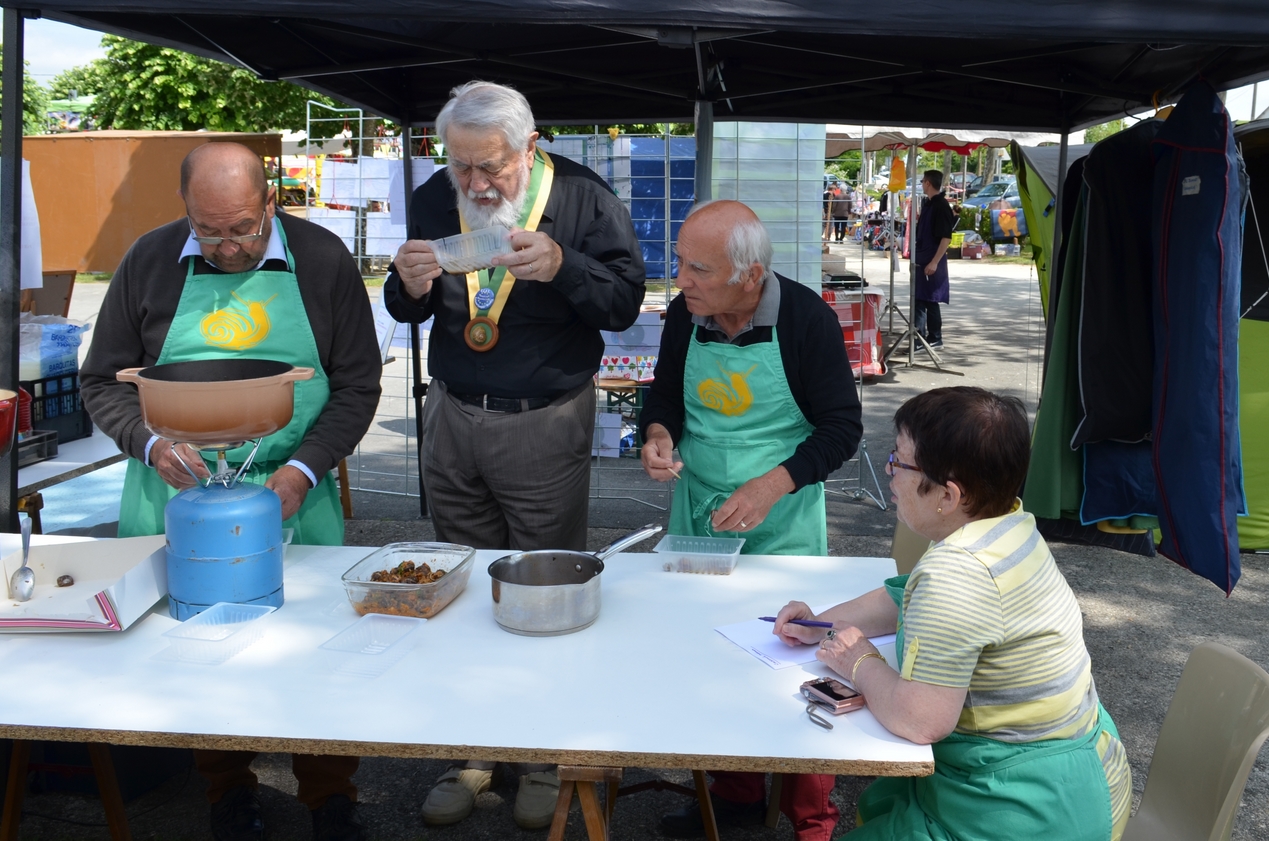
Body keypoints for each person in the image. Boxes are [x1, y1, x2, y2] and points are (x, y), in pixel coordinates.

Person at [81, 142, 381, 841]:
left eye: (243, 228)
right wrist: (151, 444)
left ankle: (331, 792)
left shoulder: (324, 259)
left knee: (318, 651)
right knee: (198, 651)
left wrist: (305, 469)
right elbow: (102, 380)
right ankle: (225, 784)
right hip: (173, 487)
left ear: (269, 202)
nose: (228, 246)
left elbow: (358, 383)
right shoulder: (149, 260)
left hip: (288, 487)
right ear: (185, 210)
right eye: (208, 230)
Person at [381, 81, 646, 829]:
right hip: (453, 408)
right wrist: (405, 288)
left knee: (540, 590)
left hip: (544, 417)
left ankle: (540, 754)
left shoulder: (585, 197)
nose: (472, 184)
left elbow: (625, 302)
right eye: (460, 165)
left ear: (529, 148)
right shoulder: (438, 195)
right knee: (456, 586)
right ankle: (469, 750)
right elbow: (412, 307)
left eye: (489, 166)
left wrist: (563, 264)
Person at [773, 387, 1133, 841]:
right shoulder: (1008, 525)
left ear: (948, 494)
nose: (889, 472)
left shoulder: (956, 573)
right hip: (1079, 779)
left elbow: (919, 719)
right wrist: (819, 624)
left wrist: (858, 660)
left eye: (899, 462)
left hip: (1021, 811)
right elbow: (898, 599)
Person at [639, 200, 863, 841]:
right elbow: (663, 395)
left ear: (751, 274)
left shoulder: (805, 321)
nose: (681, 279)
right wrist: (657, 435)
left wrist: (774, 484)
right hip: (700, 509)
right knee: (712, 653)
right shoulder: (688, 314)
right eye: (680, 262)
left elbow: (843, 428)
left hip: (781, 519)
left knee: (796, 664)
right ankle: (733, 798)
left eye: (698, 269)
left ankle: (811, 819)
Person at [913, 169, 953, 349]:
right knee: (922, 298)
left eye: (922, 181)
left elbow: (946, 237)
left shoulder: (941, 206)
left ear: (928, 183)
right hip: (923, 257)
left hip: (932, 258)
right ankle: (924, 337)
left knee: (929, 299)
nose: (922, 184)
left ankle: (932, 337)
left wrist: (935, 261)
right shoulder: (928, 203)